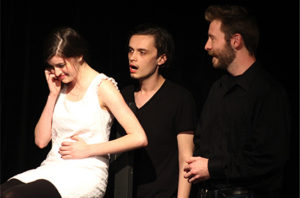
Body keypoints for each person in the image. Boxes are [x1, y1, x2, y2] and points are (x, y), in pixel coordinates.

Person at [0, 27, 148, 198]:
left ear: (79, 56)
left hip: (84, 172)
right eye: (52, 67)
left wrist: (87, 149)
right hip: (52, 168)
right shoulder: (60, 87)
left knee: (13, 196)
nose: (56, 72)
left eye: (61, 65)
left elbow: (139, 137)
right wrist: (53, 94)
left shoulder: (102, 87)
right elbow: (41, 141)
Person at [184, 4, 291, 198]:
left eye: (212, 38)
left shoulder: (268, 92)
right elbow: (201, 140)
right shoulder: (218, 89)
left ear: (235, 41)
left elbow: (268, 159)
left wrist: (212, 167)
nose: (207, 46)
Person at [118, 24, 197, 198]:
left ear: (161, 59)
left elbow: (186, 158)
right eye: (131, 51)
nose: (133, 57)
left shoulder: (179, 98)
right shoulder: (122, 96)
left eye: (142, 52)